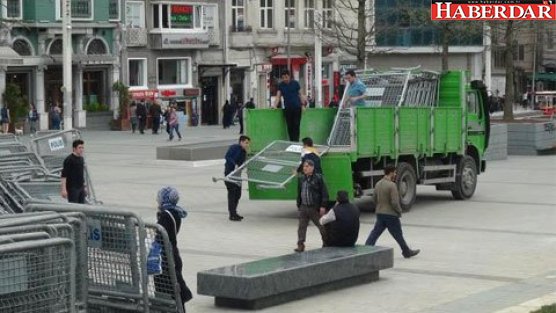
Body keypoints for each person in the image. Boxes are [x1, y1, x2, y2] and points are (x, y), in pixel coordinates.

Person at [365, 165, 420, 258]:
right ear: (390, 173)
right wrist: (399, 211)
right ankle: (406, 252)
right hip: (391, 214)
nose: (395, 174)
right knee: (398, 234)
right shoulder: (392, 185)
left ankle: (366, 249)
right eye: (394, 172)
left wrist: (379, 206)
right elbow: (395, 202)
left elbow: (373, 198)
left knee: (375, 233)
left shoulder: (378, 184)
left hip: (380, 213)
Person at [154, 186, 193, 311]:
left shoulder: (167, 215)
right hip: (172, 254)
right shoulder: (175, 212)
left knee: (169, 288)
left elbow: (160, 233)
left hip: (166, 257)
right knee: (175, 287)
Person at [295, 159, 328, 252]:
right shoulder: (301, 179)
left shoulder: (318, 178)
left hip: (314, 207)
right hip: (304, 207)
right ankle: (300, 245)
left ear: (312, 167)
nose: (304, 168)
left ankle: (326, 242)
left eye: (307, 166)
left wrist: (323, 206)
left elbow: (324, 193)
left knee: (321, 226)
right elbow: (299, 192)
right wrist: (299, 204)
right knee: (301, 227)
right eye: (304, 166)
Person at [224, 135, 250, 221]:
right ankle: (232, 214)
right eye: (246, 143)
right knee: (232, 194)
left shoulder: (243, 151)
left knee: (238, 195)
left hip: (238, 176)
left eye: (248, 143)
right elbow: (228, 156)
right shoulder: (234, 148)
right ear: (241, 142)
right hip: (230, 174)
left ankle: (234, 212)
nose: (247, 145)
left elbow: (243, 163)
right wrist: (234, 164)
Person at [274, 71, 304, 142]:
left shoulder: (295, 83)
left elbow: (301, 95)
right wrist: (275, 105)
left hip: (297, 108)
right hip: (288, 108)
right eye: (283, 78)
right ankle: (291, 141)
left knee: (296, 125)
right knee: (289, 126)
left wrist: (303, 105)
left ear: (289, 76)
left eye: (286, 77)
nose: (285, 79)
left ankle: (296, 141)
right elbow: (278, 96)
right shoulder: (281, 85)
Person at [61, 139, 86, 204]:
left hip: (81, 187)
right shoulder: (69, 159)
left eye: (82, 148)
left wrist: (84, 187)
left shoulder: (81, 159)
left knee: (82, 206)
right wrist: (64, 189)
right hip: (72, 188)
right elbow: (64, 176)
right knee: (74, 206)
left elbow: (81, 174)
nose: (81, 149)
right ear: (74, 148)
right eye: (79, 148)